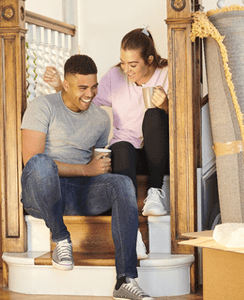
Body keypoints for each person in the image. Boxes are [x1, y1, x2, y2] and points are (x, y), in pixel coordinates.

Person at [21, 54, 155, 300]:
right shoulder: (42, 106)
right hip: (41, 194)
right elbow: (30, 160)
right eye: (82, 88)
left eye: (94, 87)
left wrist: (99, 168)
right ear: (66, 85)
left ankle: (125, 279)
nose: (90, 94)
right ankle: (61, 239)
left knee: (122, 183)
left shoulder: (101, 118)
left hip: (77, 193)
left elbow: (95, 163)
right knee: (41, 163)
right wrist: (86, 170)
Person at [44, 27, 170, 250]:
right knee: (120, 147)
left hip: (160, 151)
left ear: (149, 59)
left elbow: (188, 117)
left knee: (153, 114)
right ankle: (131, 232)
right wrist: (59, 87)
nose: (126, 70)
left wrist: (167, 105)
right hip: (130, 154)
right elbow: (86, 100)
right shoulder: (115, 77)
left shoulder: (168, 72)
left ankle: (155, 192)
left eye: (133, 65)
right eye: (123, 63)